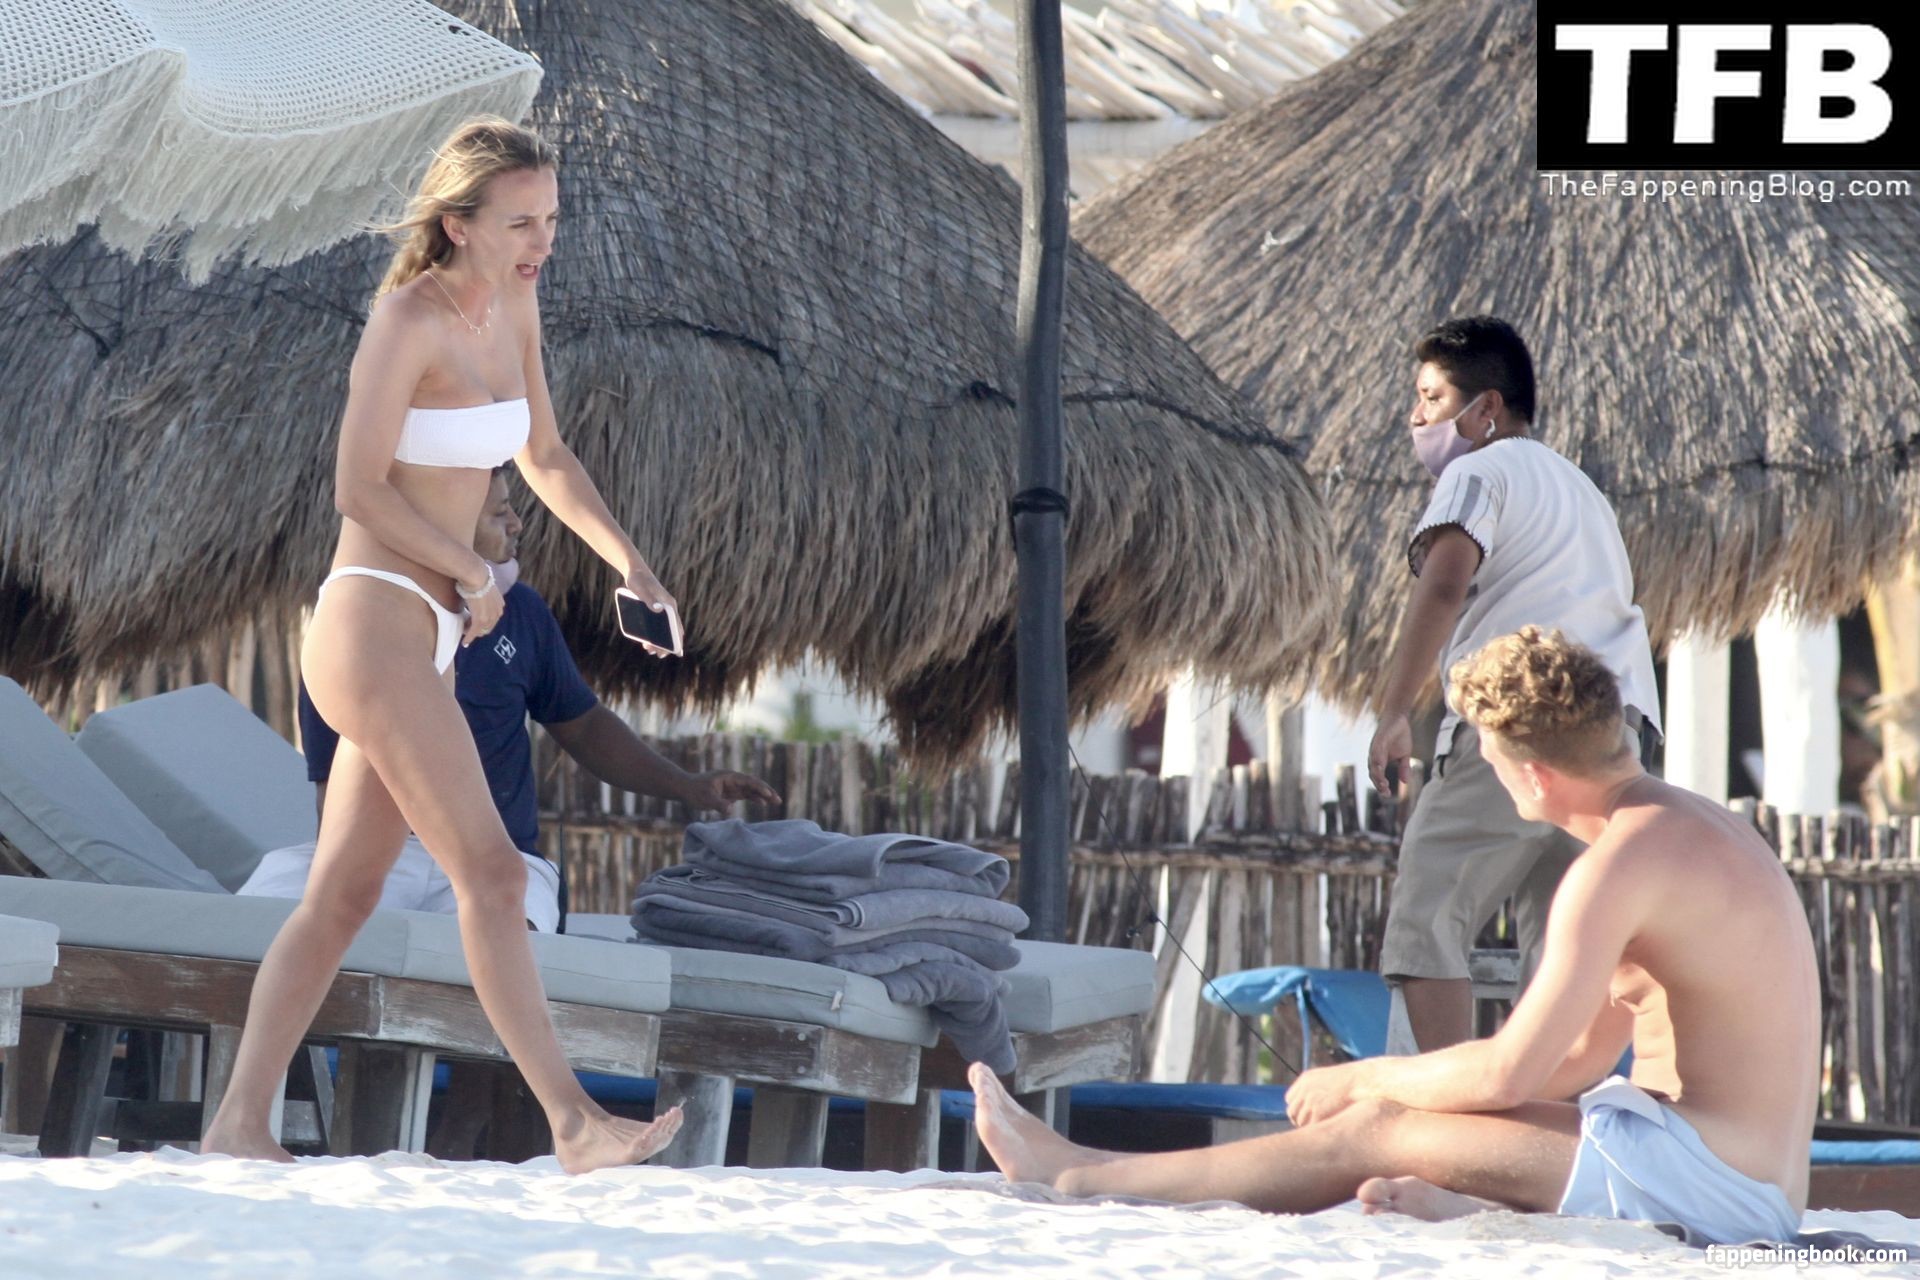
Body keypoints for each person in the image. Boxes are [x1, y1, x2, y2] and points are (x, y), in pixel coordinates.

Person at [970, 627, 1819, 1246]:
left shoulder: (1615, 868)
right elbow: (1572, 1063)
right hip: (1742, 1176)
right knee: (1413, 1119)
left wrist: (1364, 1080)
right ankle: (1485, 1205)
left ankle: (1077, 1174)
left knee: (1373, 1127)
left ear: (1532, 775)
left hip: (1707, 1184)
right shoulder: (1690, 828)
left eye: (1486, 758)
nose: (1487, 774)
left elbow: (1511, 1072)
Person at [202, 118, 684, 1171]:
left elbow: (544, 453)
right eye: (520, 222)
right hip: (372, 620)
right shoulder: (406, 319)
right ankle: (574, 1125)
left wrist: (629, 563)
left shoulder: (515, 305)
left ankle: (236, 1122)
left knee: (342, 896)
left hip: (431, 636)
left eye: (550, 219)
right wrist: (469, 570)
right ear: (459, 224)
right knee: (495, 875)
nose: (541, 241)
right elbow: (357, 486)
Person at [241, 467, 779, 933]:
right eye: (501, 513)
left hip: (499, 853)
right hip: (383, 853)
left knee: (503, 926)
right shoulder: (357, 625)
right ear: (449, 524)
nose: (519, 524)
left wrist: (686, 784)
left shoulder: (522, 613)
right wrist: (346, 892)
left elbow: (584, 726)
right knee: (262, 921)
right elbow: (331, 791)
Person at [1368, 316, 1661, 1052]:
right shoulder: (1585, 493)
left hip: (1521, 720)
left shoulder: (1478, 472)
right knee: (1569, 941)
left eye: (1432, 398)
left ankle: (1454, 1104)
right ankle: (1552, 1104)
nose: (1416, 417)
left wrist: (1395, 712)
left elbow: (1442, 587)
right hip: (1617, 733)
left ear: (1486, 409)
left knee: (1428, 916)